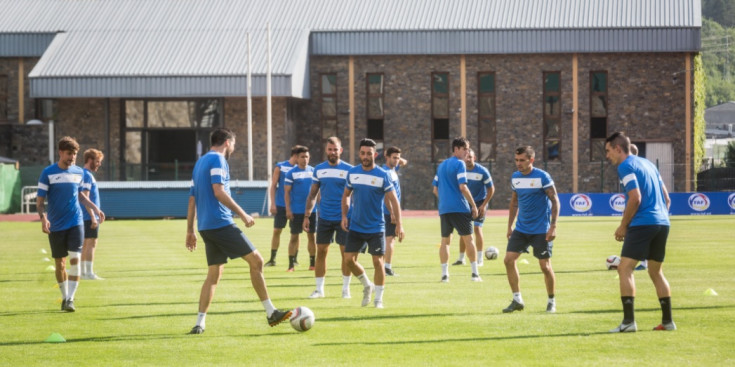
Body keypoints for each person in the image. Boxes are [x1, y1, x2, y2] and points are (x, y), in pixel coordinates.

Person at [186, 127, 291, 334]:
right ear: (227, 142)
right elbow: (219, 191)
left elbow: (192, 199)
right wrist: (243, 214)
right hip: (221, 223)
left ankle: (200, 323)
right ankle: (271, 313)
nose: (234, 147)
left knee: (214, 274)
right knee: (258, 261)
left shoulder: (199, 163)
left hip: (206, 226)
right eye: (233, 144)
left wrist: (190, 229)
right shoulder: (218, 160)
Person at [605, 132, 675, 332]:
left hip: (642, 223)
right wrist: (658, 216)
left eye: (608, 151)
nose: (607, 156)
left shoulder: (625, 166)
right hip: (662, 222)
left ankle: (628, 323)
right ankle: (668, 322)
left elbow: (635, 198)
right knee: (656, 271)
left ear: (618, 149)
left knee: (624, 269)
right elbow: (666, 198)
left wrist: (623, 225)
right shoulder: (649, 164)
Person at [37, 136, 105, 312]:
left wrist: (95, 209)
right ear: (60, 152)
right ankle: (64, 295)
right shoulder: (48, 173)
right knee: (60, 264)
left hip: (76, 223)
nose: (72, 157)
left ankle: (70, 299)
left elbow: (81, 196)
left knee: (75, 261)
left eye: (74, 154)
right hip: (56, 225)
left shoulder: (79, 173)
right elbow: (40, 201)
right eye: (69, 154)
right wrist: (43, 218)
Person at [341, 138, 404, 308]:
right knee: (348, 260)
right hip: (355, 225)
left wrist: (399, 224)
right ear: (359, 154)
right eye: (362, 153)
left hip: (376, 227)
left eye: (369, 153)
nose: (365, 156)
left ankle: (378, 300)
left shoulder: (382, 175)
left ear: (375, 154)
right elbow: (346, 195)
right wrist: (344, 216)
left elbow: (394, 201)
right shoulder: (352, 173)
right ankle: (367, 285)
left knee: (378, 263)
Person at [503, 146, 559, 314]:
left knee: (545, 266)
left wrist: (553, 226)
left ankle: (551, 301)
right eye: (516, 160)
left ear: (531, 160)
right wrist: (509, 226)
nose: (518, 164)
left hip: (541, 229)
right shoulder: (515, 177)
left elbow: (555, 200)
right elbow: (514, 202)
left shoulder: (543, 177)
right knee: (508, 260)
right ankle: (517, 299)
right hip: (521, 228)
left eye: (522, 160)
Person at [303, 137, 354, 298]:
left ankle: (346, 289)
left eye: (335, 149)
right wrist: (307, 215)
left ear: (341, 150)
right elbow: (312, 194)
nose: (333, 152)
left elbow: (356, 195)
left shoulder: (350, 170)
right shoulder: (318, 169)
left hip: (344, 218)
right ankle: (319, 290)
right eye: (330, 149)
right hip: (324, 217)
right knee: (321, 252)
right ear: (326, 150)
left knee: (346, 254)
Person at [432, 137, 481, 283]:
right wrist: (473, 205)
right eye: (465, 148)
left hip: (444, 209)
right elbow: (463, 187)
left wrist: (445, 200)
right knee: (469, 239)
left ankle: (445, 275)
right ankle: (475, 274)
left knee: (445, 241)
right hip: (460, 208)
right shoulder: (460, 164)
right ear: (456, 149)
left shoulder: (441, 166)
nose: (467, 152)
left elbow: (435, 189)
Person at [451, 148, 494, 267]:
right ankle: (461, 259)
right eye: (466, 157)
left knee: (477, 229)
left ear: (474, 158)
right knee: (464, 231)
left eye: (470, 157)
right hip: (464, 204)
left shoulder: (482, 171)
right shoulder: (460, 170)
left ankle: (480, 259)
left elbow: (491, 189)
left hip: (479, 203)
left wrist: (484, 205)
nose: (468, 159)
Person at [284, 146, 317, 272]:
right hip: (296, 211)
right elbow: (286, 193)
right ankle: (291, 265)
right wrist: (288, 209)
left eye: (307, 157)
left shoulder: (314, 172)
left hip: (312, 211)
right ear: (297, 158)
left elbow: (317, 192)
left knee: (311, 237)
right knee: (294, 237)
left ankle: (312, 264)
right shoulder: (291, 173)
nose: (305, 159)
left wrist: (320, 205)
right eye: (302, 157)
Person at [264, 147, 299, 267]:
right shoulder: (280, 166)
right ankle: (272, 259)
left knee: (295, 233)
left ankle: (294, 258)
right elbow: (273, 186)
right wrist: (272, 203)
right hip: (281, 204)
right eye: (301, 156)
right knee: (277, 231)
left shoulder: (301, 169)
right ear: (295, 155)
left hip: (295, 206)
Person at [381, 146, 408, 276]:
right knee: (390, 239)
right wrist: (392, 212)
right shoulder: (385, 172)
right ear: (387, 157)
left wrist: (397, 156)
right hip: (387, 212)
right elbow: (386, 195)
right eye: (394, 158)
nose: (397, 160)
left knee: (388, 239)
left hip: (389, 211)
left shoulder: (393, 169)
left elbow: (404, 162)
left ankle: (384, 266)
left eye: (398, 158)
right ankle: (387, 268)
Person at [80, 148, 104, 280]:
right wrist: (93, 217)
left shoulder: (84, 174)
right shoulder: (87, 175)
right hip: (88, 216)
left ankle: (83, 272)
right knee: (91, 243)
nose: (99, 164)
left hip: (85, 216)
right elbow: (85, 196)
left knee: (85, 244)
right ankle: (88, 273)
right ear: (90, 160)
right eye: (98, 161)